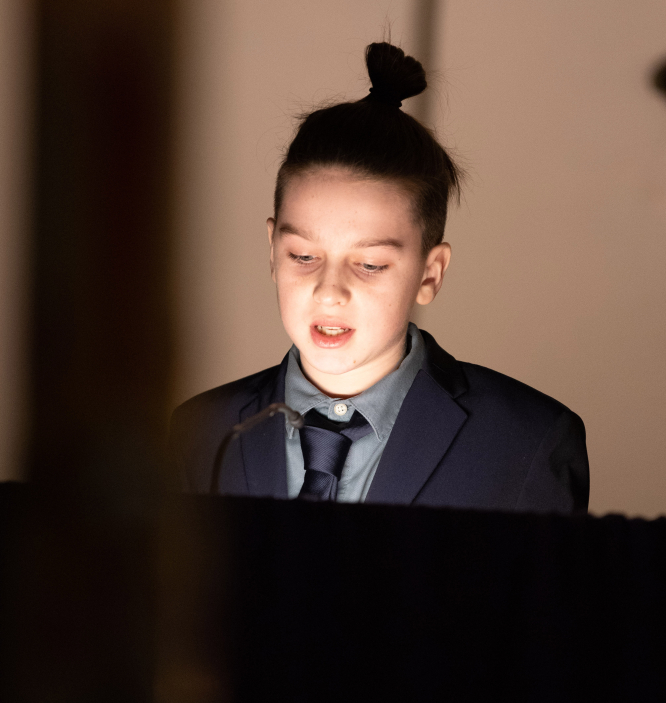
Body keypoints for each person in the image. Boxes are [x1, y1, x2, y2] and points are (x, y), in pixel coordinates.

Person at [171, 42, 589, 513]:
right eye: (303, 256)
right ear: (272, 251)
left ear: (430, 273)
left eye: (369, 265)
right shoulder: (199, 433)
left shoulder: (527, 442)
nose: (329, 292)